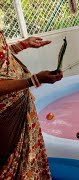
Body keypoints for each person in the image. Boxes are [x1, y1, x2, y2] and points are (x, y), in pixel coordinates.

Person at [0, 31, 63, 179]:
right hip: (8, 116)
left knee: (30, 157)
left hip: (20, 104)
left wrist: (23, 44)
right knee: (12, 164)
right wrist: (33, 80)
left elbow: (3, 57)